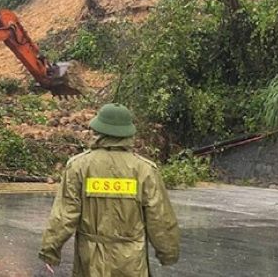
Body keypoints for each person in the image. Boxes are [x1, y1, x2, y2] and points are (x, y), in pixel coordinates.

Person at [39, 103, 180, 276]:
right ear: (128, 132)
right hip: (131, 263)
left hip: (90, 261)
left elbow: (64, 215)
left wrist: (50, 250)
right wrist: (168, 252)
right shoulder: (144, 170)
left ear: (98, 130)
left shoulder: (79, 166)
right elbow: (160, 217)